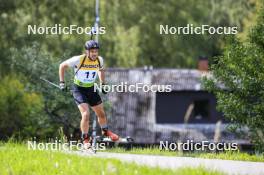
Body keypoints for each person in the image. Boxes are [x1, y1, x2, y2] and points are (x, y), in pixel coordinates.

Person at [58, 40, 119, 148]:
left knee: (101, 113)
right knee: (86, 114)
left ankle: (105, 132)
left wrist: (103, 84)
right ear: (87, 52)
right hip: (79, 89)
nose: (95, 53)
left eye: (96, 51)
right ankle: (85, 139)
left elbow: (101, 70)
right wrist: (62, 83)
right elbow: (62, 66)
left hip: (91, 88)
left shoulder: (99, 60)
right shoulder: (79, 59)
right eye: (92, 51)